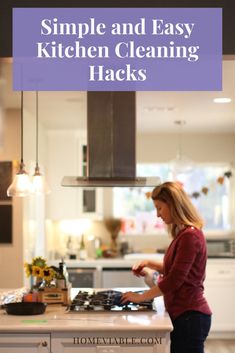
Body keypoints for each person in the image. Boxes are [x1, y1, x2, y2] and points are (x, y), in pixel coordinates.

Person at [121, 181, 212, 353]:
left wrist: (141, 297)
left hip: (190, 316)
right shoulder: (184, 234)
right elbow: (175, 269)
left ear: (173, 205)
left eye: (159, 208)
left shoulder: (189, 236)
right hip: (185, 315)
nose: (157, 215)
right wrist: (148, 262)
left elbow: (175, 280)